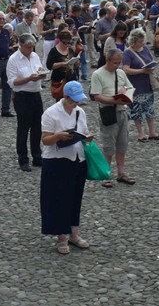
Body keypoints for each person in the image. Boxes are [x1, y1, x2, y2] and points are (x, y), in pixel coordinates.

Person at [40, 81, 91, 255]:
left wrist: (86, 138)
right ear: (65, 97)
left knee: (76, 197)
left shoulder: (80, 112)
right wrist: (59, 136)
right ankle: (61, 236)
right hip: (57, 160)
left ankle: (74, 233)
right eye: (73, 100)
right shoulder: (51, 113)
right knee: (60, 199)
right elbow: (45, 140)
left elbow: (83, 132)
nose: (75, 104)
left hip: (77, 158)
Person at [90, 47, 135, 187]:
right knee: (108, 146)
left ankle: (121, 172)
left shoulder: (120, 73)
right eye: (115, 63)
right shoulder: (97, 74)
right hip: (108, 112)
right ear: (107, 60)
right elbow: (97, 96)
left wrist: (126, 93)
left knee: (122, 144)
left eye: (119, 62)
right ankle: (106, 174)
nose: (117, 65)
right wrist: (114, 100)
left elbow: (130, 87)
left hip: (122, 111)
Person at [6, 33, 45, 171]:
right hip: (22, 96)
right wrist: (28, 79)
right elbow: (12, 82)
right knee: (23, 128)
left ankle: (37, 156)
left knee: (37, 128)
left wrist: (41, 73)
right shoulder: (13, 59)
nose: (30, 49)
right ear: (21, 46)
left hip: (36, 94)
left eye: (32, 47)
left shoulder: (34, 56)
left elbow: (40, 69)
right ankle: (23, 159)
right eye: (28, 47)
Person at [121, 29, 159, 141]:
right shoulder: (128, 53)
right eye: (139, 41)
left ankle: (152, 131)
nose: (141, 43)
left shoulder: (145, 49)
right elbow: (126, 69)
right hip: (135, 85)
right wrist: (141, 71)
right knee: (137, 110)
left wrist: (150, 68)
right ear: (133, 41)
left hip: (147, 83)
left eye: (142, 41)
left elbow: (151, 60)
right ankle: (141, 133)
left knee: (149, 109)